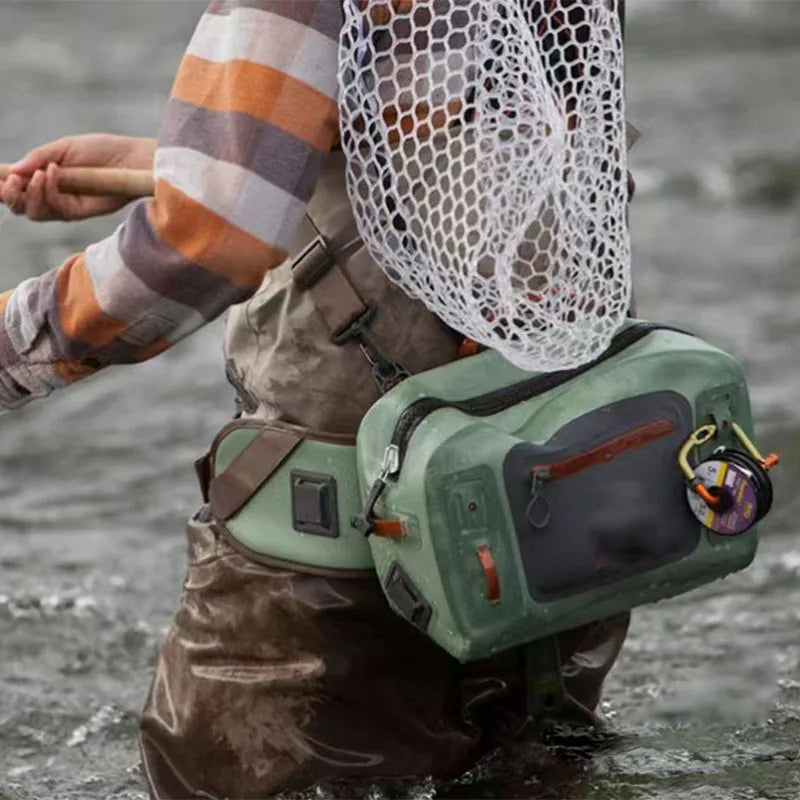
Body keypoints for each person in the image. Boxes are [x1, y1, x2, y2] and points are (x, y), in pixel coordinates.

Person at [0, 1, 631, 797]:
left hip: (344, 558)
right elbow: (466, 153)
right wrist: (174, 162)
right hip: (557, 511)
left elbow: (209, 239)